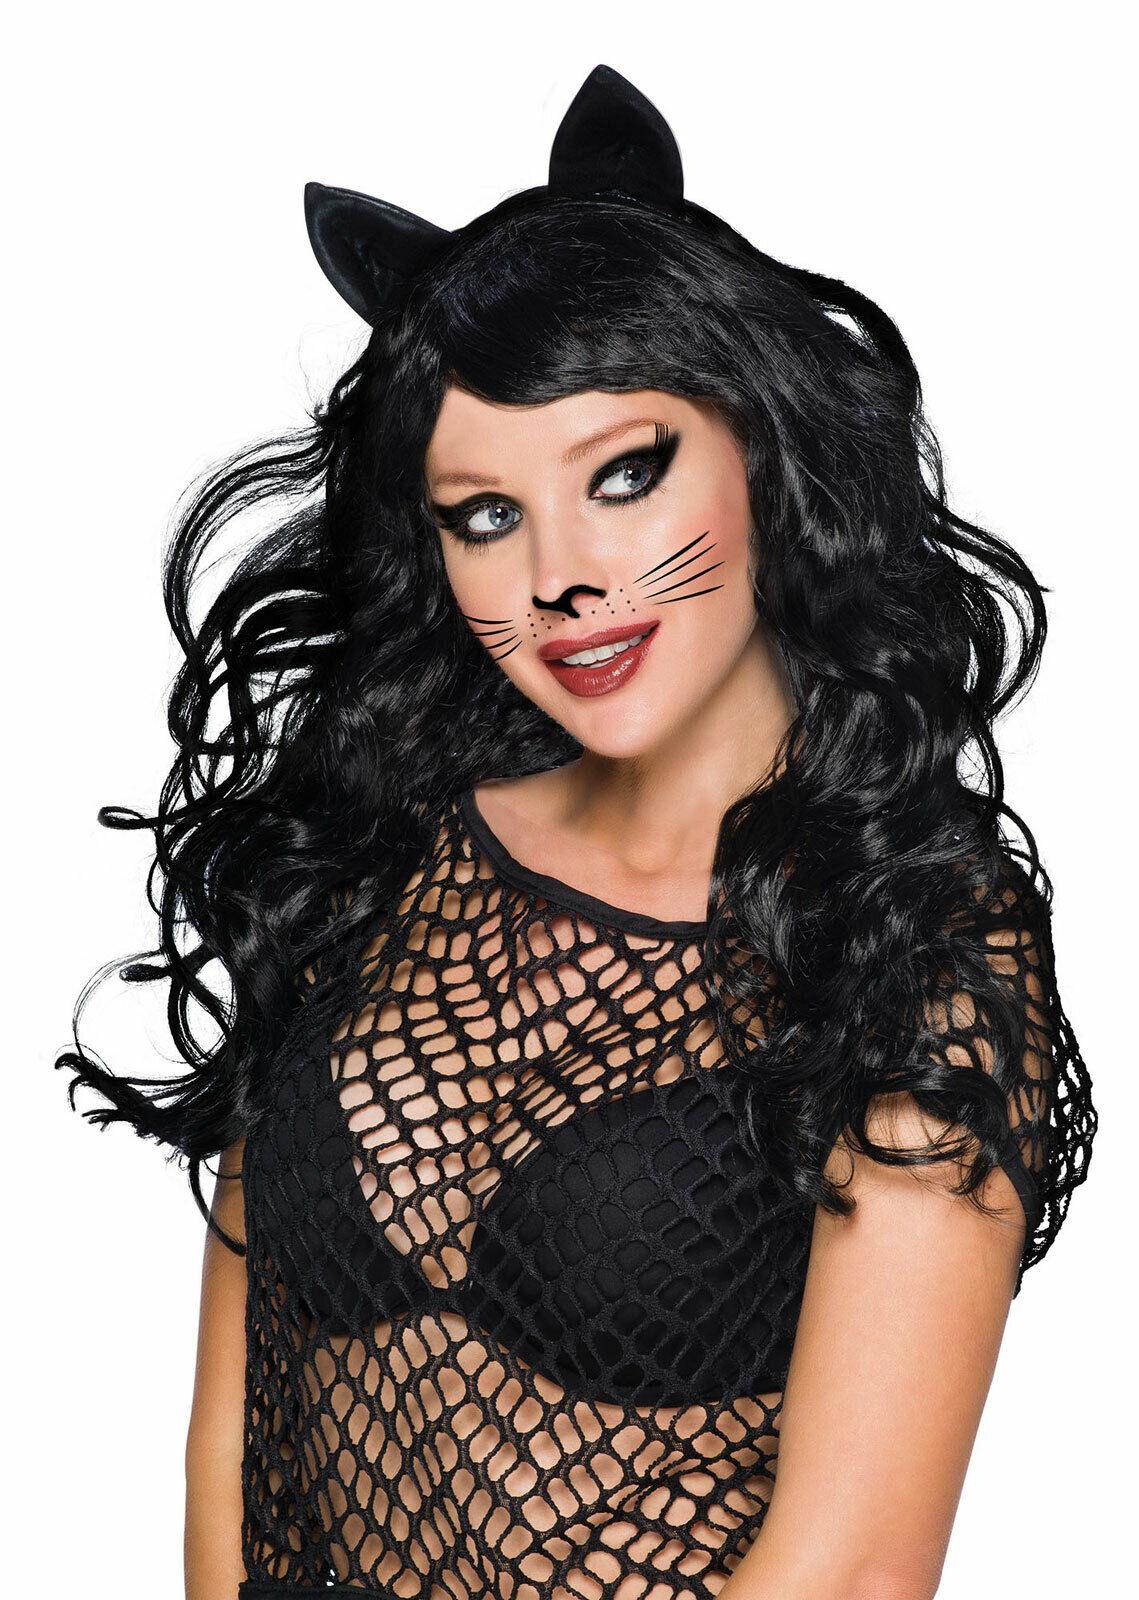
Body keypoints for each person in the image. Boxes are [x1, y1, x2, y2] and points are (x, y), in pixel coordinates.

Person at [58, 63, 1098, 1600]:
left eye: (623, 474)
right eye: (485, 515)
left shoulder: (906, 941)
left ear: (764, 446)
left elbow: (853, 1571)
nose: (558, 575)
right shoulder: (372, 844)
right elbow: (231, 1444)